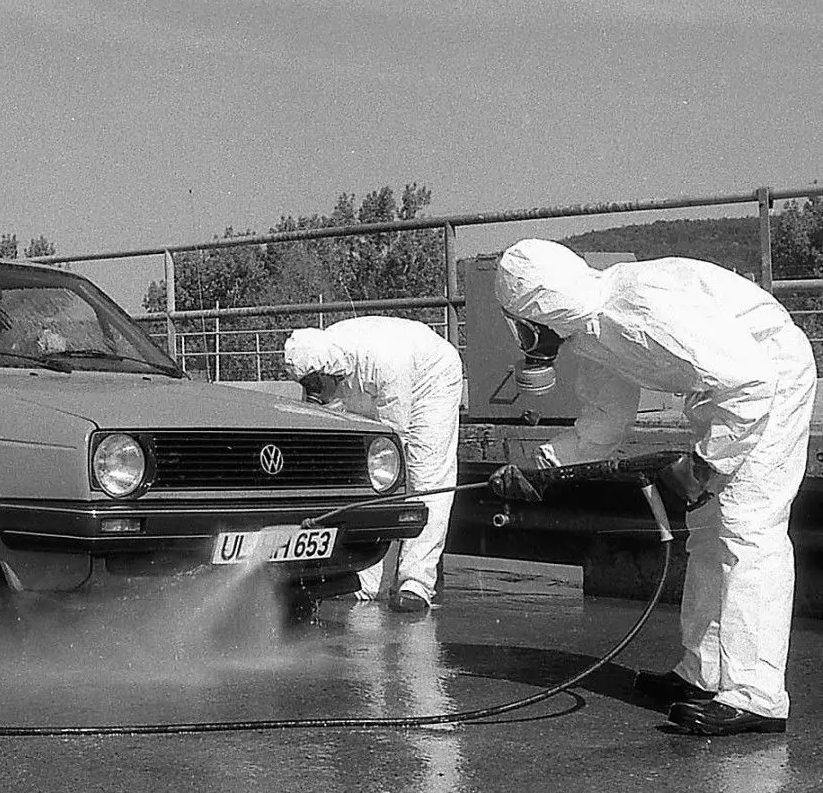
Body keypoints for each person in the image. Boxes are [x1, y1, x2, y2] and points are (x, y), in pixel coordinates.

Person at [490, 238, 815, 736]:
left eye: (522, 324)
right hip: (724, 392)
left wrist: (703, 467)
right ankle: (702, 675)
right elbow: (603, 425)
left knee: (748, 530)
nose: (525, 338)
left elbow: (751, 382)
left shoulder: (635, 310)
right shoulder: (591, 333)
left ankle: (757, 696)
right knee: (708, 530)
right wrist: (541, 468)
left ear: (537, 313)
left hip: (770, 378)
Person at [285, 317, 463, 613]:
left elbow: (393, 438)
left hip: (429, 378)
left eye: (316, 384)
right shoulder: (321, 357)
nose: (312, 390)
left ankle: (416, 582)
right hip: (375, 385)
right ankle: (367, 580)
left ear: (328, 372)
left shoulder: (384, 361)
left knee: (425, 480)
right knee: (370, 482)